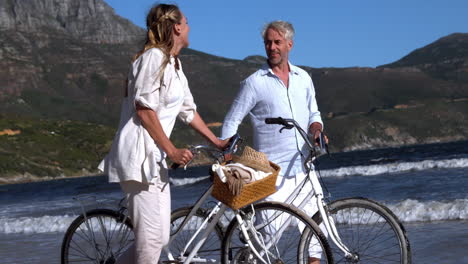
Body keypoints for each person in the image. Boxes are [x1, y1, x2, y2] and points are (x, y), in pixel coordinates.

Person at [98, 4, 228, 264]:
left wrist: (216, 141)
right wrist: (173, 151)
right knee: (150, 241)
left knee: (161, 237)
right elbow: (144, 109)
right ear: (177, 27)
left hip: (155, 160)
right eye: (187, 22)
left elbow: (187, 110)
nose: (189, 27)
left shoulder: (174, 64)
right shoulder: (152, 58)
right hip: (138, 158)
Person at [221, 20, 327, 264]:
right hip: (271, 173)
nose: (272, 47)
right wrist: (227, 157)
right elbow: (231, 121)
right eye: (268, 43)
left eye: (277, 42)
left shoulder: (304, 78)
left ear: (289, 44)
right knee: (266, 246)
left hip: (305, 169)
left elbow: (314, 113)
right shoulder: (254, 82)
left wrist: (316, 129)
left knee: (316, 240)